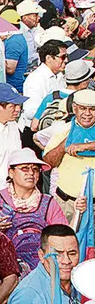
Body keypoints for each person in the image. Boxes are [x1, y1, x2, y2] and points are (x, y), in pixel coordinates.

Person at [0, 149, 67, 274]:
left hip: (42, 269)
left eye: (35, 169)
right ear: (11, 173)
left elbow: (62, 235)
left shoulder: (48, 203)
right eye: (25, 168)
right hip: (2, 269)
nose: (31, 173)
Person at [6, 224, 81, 304]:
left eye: (72, 253)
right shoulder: (28, 295)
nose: (66, 261)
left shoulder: (78, 278)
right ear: (41, 255)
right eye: (57, 255)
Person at [43, 89, 95, 225]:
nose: (87, 114)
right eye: (83, 108)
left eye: (92, 109)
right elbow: (48, 163)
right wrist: (64, 145)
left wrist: (86, 146)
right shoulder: (63, 129)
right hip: (67, 203)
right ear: (74, 108)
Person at [22, 39, 67, 123]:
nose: (66, 60)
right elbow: (30, 112)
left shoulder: (60, 75)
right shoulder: (35, 79)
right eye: (63, 57)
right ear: (49, 58)